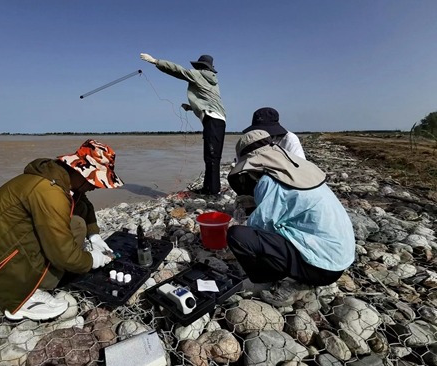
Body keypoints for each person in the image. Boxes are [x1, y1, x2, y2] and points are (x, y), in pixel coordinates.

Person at [0, 139, 124, 321]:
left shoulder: (58, 178)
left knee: (78, 223)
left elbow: (82, 203)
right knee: (73, 229)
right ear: (79, 171)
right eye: (94, 181)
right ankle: (25, 295)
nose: (96, 186)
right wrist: (91, 260)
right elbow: (63, 254)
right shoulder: (50, 192)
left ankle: (33, 281)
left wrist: (94, 235)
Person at [226, 130, 355, 306]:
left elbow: (259, 228)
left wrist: (243, 217)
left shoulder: (267, 181)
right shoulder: (298, 170)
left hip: (322, 268)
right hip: (339, 257)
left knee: (238, 236)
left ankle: (264, 281)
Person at [140, 52, 226, 195]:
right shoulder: (212, 81)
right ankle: (209, 188)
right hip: (217, 121)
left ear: (201, 67)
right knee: (212, 156)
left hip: (213, 121)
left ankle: (213, 192)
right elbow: (210, 101)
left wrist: (156, 61)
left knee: (211, 156)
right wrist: (192, 107)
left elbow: (178, 70)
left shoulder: (199, 75)